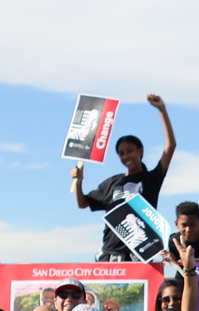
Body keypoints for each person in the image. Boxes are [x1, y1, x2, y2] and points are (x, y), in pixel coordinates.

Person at [71, 95, 178, 262]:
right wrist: (78, 181)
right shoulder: (111, 183)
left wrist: (162, 110)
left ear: (140, 151)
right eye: (121, 153)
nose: (125, 156)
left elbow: (170, 147)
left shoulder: (151, 179)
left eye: (129, 151)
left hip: (140, 252)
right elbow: (82, 203)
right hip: (111, 253)